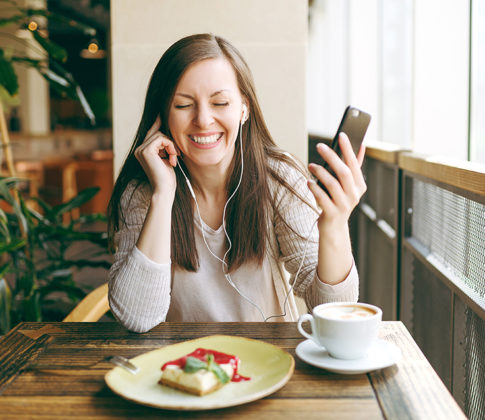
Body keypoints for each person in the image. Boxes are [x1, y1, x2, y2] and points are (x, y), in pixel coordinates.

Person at [107, 33, 367, 333]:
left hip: (269, 365)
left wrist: (334, 224)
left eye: (220, 102)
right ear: (163, 115)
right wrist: (163, 195)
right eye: (182, 106)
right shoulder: (143, 193)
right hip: (188, 369)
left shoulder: (278, 179)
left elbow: (331, 309)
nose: (203, 120)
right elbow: (138, 317)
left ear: (243, 108)